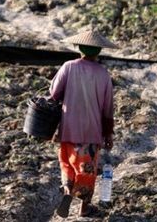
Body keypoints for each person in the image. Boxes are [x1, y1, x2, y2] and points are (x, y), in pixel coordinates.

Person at [49, 30, 118, 218]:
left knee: (68, 163)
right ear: (99, 51)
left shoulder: (68, 66)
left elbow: (54, 93)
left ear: (79, 48)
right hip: (91, 131)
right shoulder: (103, 74)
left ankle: (66, 191)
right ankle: (84, 207)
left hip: (68, 128)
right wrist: (108, 134)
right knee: (87, 169)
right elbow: (108, 108)